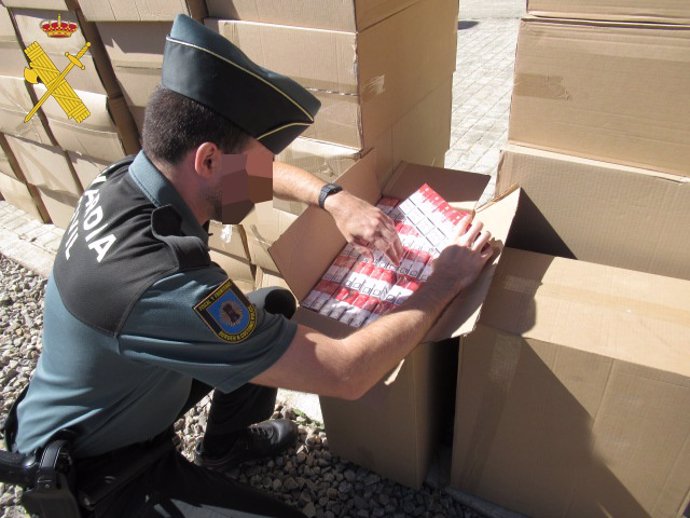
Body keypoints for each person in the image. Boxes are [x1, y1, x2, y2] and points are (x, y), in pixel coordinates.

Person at [9, 14, 493, 517]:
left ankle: (223, 449)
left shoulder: (129, 177)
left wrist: (331, 198)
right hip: (91, 470)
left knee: (272, 307)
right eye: (258, 163)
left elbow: (253, 171)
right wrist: (442, 284)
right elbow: (346, 374)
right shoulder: (162, 283)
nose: (265, 178)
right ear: (208, 161)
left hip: (122, 394)